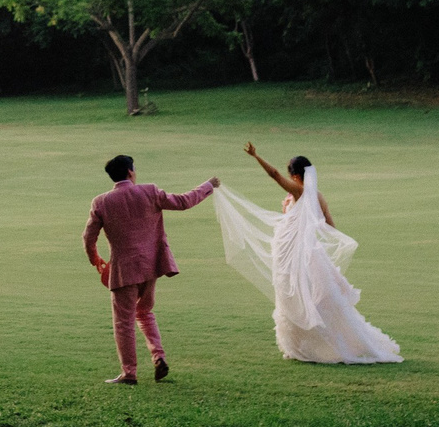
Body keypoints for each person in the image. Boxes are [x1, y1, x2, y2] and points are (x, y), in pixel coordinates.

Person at [211, 141, 402, 365]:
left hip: (292, 252)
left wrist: (256, 156)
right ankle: (316, 341)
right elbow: (330, 226)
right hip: (304, 250)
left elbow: (274, 175)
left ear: (295, 176)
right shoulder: (317, 196)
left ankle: (306, 344)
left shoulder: (299, 192)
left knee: (293, 294)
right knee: (312, 295)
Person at [82, 153, 219, 385]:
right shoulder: (149, 191)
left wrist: (95, 259)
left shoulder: (101, 202)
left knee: (124, 322)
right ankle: (158, 356)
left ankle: (129, 372)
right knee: (144, 312)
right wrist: (208, 186)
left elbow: (88, 237)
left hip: (123, 270)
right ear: (130, 172)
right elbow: (183, 202)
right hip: (150, 266)